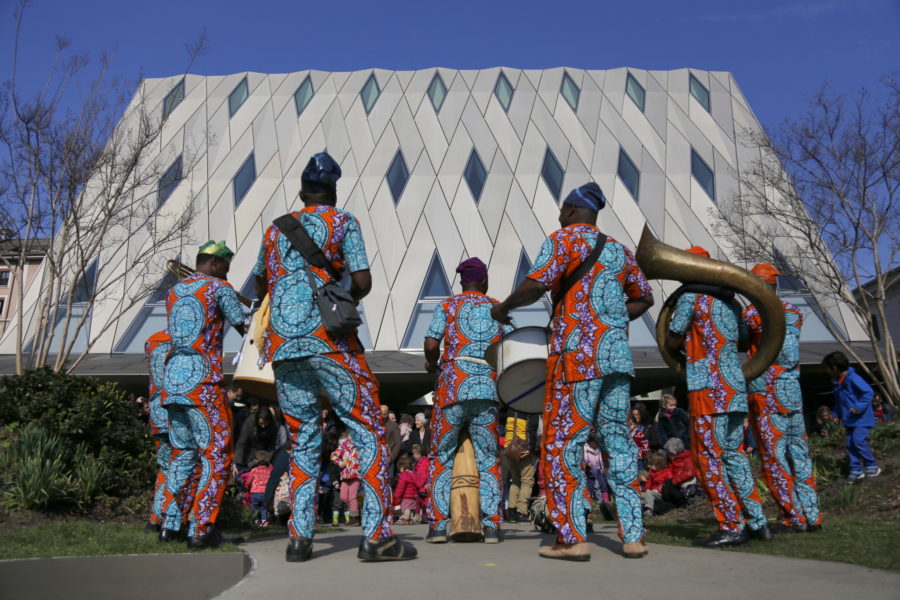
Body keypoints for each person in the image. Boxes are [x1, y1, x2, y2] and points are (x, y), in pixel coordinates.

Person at [254, 152, 415, 562]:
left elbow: (260, 283)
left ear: (301, 190)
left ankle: (300, 539)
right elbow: (362, 280)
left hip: (285, 350)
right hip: (331, 345)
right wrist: (338, 295)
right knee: (368, 433)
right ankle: (378, 537)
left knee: (303, 439)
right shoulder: (344, 222)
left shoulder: (275, 230)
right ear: (334, 190)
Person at [492, 182, 654, 561]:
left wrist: (504, 308)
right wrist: (610, 319)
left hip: (576, 359)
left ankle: (572, 538)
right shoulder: (619, 250)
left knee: (564, 443)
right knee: (618, 441)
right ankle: (633, 536)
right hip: (615, 357)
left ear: (568, 211)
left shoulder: (562, 240)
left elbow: (535, 286)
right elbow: (644, 297)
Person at [665, 245, 772, 548]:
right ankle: (758, 523)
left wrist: (682, 342)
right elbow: (742, 338)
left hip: (707, 390)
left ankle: (730, 525)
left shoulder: (689, 298)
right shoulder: (731, 301)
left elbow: (673, 336)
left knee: (708, 459)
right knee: (735, 457)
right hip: (734, 387)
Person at [158, 241, 247, 548]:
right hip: (203, 381)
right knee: (216, 453)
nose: (226, 273)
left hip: (173, 381)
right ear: (216, 264)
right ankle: (201, 527)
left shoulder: (175, 291)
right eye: (226, 267)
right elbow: (244, 326)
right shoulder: (219, 288)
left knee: (182, 453)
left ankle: (170, 524)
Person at [423, 257, 510, 544]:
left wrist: (431, 363)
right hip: (487, 389)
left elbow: (432, 343)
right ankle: (492, 525)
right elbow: (510, 349)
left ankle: (437, 525)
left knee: (441, 455)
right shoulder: (497, 307)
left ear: (462, 282)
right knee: (488, 458)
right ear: (484, 281)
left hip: (453, 388)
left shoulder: (447, 306)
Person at [743, 263, 821, 532]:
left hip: (766, 394)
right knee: (800, 456)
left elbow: (740, 339)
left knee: (774, 458)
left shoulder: (752, 314)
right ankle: (813, 515)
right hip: (793, 392)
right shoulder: (794, 312)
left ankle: (793, 517)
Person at [145, 330, 197, 532]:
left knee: (165, 467)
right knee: (184, 464)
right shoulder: (182, 339)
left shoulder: (152, 340)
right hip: (177, 410)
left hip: (157, 410)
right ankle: (173, 517)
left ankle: (155, 518)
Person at [822, 351, 881, 484]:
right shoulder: (837, 382)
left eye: (827, 368)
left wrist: (859, 407)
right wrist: (836, 414)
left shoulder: (853, 378)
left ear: (834, 368)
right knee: (850, 444)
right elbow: (838, 401)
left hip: (862, 418)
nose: (826, 371)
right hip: (849, 419)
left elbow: (868, 392)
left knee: (858, 441)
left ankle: (872, 466)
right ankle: (856, 470)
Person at [501, 409, 540, 523]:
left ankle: (512, 512)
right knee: (527, 481)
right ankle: (522, 512)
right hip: (523, 447)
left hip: (510, 448)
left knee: (515, 480)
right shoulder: (530, 408)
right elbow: (531, 428)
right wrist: (531, 448)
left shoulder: (511, 407)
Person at [234, 406, 289, 473]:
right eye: (261, 423)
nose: (263, 426)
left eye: (265, 424)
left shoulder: (274, 425)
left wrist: (265, 459)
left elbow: (272, 445)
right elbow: (242, 443)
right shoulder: (250, 422)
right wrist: (237, 463)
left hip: (262, 455)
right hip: (247, 453)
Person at [330, 431, 362, 527]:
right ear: (347, 435)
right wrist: (339, 462)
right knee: (343, 496)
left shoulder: (360, 446)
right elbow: (333, 455)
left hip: (356, 474)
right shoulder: (343, 446)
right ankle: (354, 511)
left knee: (352, 496)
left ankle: (354, 518)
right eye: (350, 434)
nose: (352, 437)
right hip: (345, 475)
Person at [245, 450, 274, 527]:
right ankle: (264, 521)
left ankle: (256, 521)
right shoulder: (270, 470)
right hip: (266, 492)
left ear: (256, 460)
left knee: (255, 507)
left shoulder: (254, 470)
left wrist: (247, 487)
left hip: (255, 493)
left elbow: (249, 481)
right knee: (264, 508)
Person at [639, 452, 672, 517]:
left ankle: (649, 510)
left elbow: (666, 485)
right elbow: (648, 485)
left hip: (660, 493)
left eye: (651, 464)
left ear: (658, 465)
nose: (649, 466)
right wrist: (645, 491)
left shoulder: (667, 472)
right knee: (640, 495)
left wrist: (658, 489)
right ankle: (636, 510)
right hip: (651, 493)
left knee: (649, 493)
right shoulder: (652, 474)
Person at [394, 455, 420, 525]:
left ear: (402, 467)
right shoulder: (413, 474)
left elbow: (400, 487)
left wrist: (396, 495)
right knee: (411, 508)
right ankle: (410, 519)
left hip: (406, 496)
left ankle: (406, 519)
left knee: (406, 508)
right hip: (414, 495)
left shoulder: (404, 475)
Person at [380, 404, 403, 468]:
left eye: (384, 414)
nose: (382, 416)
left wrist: (392, 457)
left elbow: (398, 443)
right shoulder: (374, 424)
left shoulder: (393, 425)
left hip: (388, 458)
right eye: (380, 413)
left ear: (387, 414)